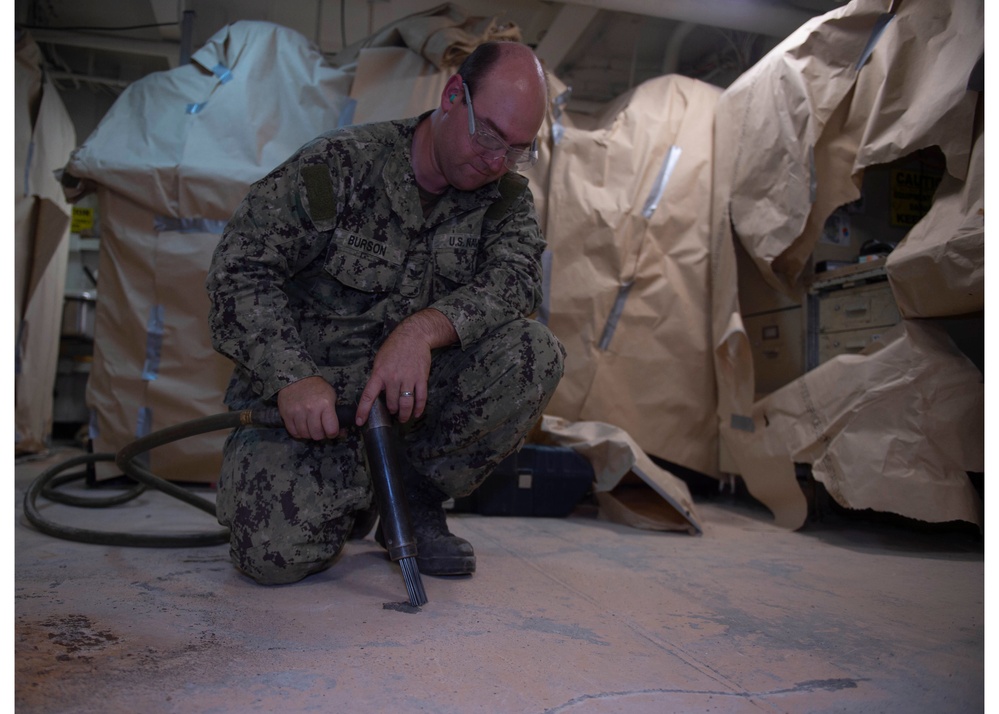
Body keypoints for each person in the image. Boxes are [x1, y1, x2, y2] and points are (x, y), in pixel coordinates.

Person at [205, 41, 565, 585]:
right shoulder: (340, 167)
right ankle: (354, 493)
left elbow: (515, 282)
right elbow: (240, 270)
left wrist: (421, 332)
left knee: (532, 353)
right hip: (315, 413)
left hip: (410, 411)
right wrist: (292, 377)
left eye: (517, 149)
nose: (496, 161)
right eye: (488, 135)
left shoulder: (506, 199)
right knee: (274, 557)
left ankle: (416, 496)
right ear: (451, 97)